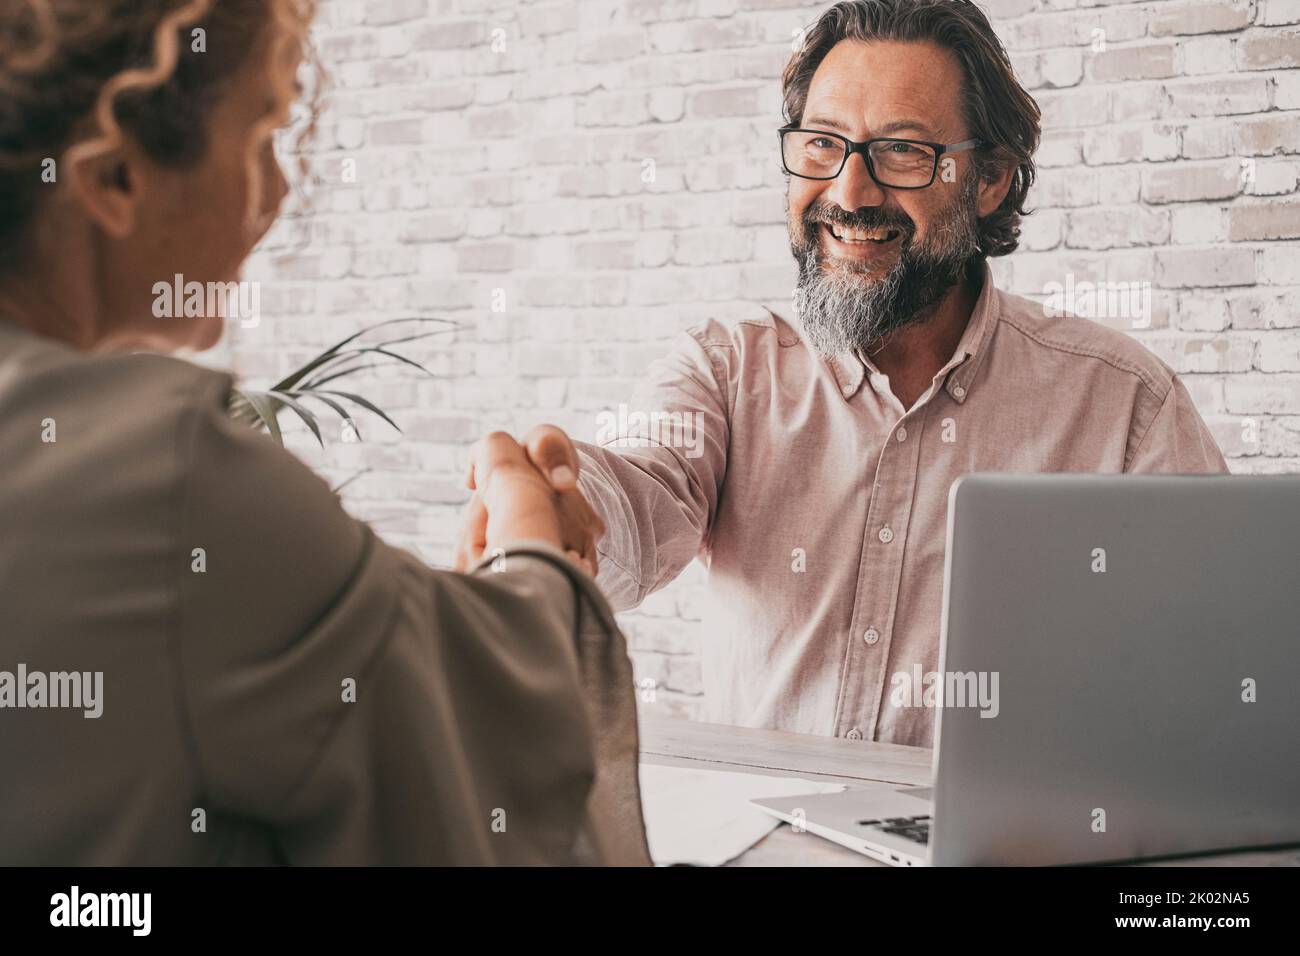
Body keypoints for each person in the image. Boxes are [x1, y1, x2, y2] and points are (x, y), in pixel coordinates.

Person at [457, 0, 1229, 748]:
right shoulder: (728, 368)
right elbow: (639, 494)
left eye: (901, 151)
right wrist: (562, 508)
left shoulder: (1125, 404)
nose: (849, 195)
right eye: (822, 144)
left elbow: (1212, 668)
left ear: (990, 178)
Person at [0, 0, 649, 866]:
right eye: (263, 134)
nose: (279, 190)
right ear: (114, 173)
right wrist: (528, 515)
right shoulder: (165, 477)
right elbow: (497, 720)